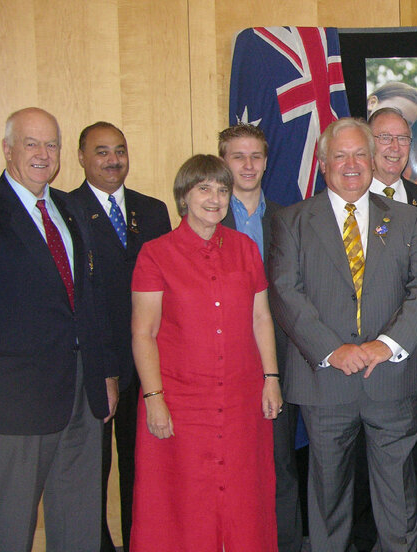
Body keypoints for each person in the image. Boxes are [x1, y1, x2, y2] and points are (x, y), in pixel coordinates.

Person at [267, 117, 417, 552]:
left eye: (359, 154)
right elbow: (286, 293)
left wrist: (387, 344)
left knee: (399, 499)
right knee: (328, 499)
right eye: (339, 155)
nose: (350, 164)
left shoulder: (406, 218)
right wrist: (332, 350)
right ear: (323, 163)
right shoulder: (291, 220)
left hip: (393, 378)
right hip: (325, 380)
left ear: (372, 159)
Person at [130, 154, 283, 551]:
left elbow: (261, 318)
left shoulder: (245, 248)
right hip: (180, 402)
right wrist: (154, 398)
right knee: (183, 507)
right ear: (184, 196)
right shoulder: (155, 254)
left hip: (240, 401)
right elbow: (143, 333)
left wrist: (271, 379)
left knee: (243, 504)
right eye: (204, 189)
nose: (214, 198)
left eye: (221, 189)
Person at [0, 107, 119, 551]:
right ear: (7, 150)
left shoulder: (69, 207)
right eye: (32, 143)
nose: (43, 154)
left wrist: (104, 374)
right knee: (9, 525)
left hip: (83, 395)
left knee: (79, 522)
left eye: (51, 144)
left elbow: (90, 296)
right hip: (14, 404)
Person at [69, 121, 172, 552]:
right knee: (91, 472)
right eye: (102, 151)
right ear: (81, 158)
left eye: (120, 150)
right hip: (95, 363)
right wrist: (104, 367)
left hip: (146, 365)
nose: (113, 160)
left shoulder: (152, 211)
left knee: (141, 471)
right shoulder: (65, 209)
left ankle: (139, 543)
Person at [350, 107, 417, 552]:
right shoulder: (342, 200)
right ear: (368, 144)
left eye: (402, 139)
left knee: (409, 455)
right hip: (357, 354)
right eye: (383, 138)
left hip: (414, 351)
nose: (393, 148)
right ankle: (367, 537)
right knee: (358, 458)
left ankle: (412, 537)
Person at [217, 123, 302, 552]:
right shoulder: (207, 219)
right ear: (223, 162)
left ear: (267, 162)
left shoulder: (289, 219)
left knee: (279, 463)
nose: (248, 165)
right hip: (222, 361)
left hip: (280, 361)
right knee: (227, 466)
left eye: (256, 157)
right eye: (238, 156)